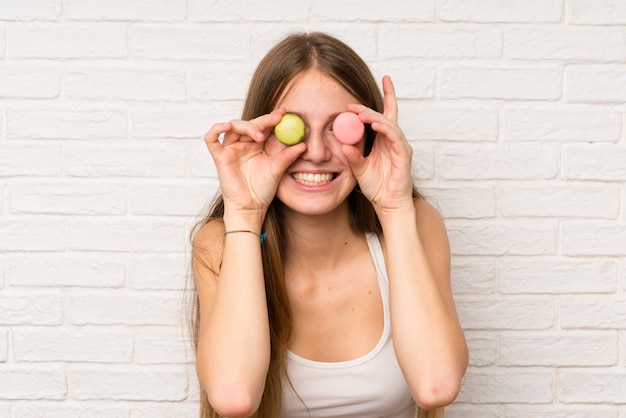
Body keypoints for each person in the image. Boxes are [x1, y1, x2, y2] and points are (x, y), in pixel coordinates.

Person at [189, 32, 468, 418]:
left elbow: (435, 384)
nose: (317, 153)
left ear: (371, 134)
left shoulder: (416, 223)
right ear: (260, 135)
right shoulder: (222, 241)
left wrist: (394, 206)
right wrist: (244, 213)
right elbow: (235, 397)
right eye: (293, 127)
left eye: (340, 127)